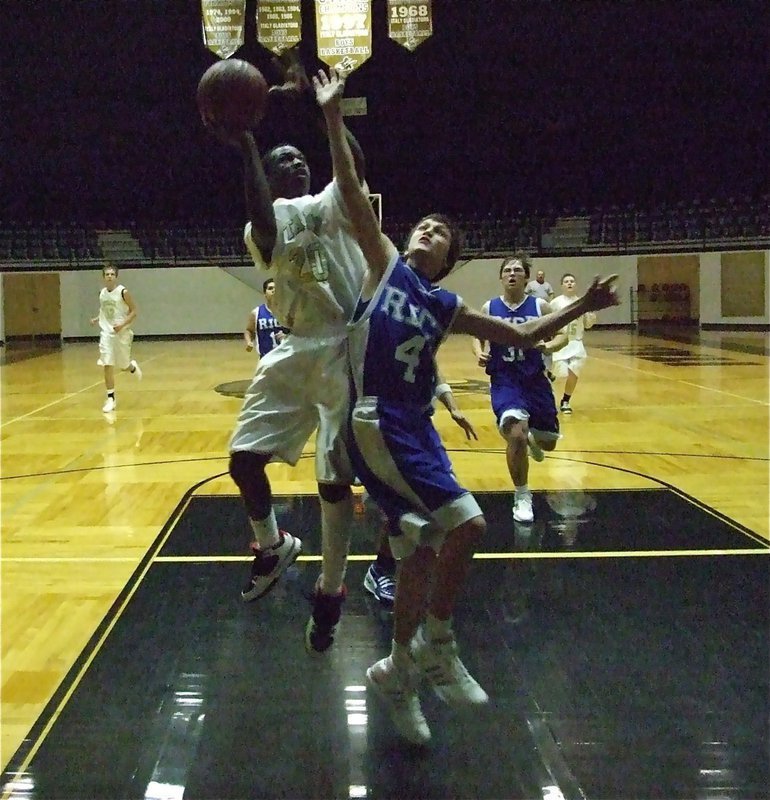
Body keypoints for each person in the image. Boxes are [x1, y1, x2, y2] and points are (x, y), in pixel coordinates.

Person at [313, 67, 620, 745]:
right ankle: (439, 644)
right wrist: (333, 117)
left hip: (414, 430)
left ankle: (397, 670)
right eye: (420, 227)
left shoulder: (446, 304)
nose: (423, 234)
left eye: (437, 233)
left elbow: (519, 335)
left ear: (451, 256)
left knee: (423, 550)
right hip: (376, 422)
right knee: (470, 523)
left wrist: (583, 305)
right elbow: (353, 195)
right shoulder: (384, 263)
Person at [208, 51, 382, 656]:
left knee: (335, 477)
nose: (296, 160)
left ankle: (332, 587)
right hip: (295, 347)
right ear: (272, 175)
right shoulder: (268, 220)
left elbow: (351, 167)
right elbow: (259, 214)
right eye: (286, 158)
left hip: (345, 345)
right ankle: (272, 544)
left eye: (300, 156)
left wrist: (324, 113)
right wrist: (251, 142)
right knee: (242, 458)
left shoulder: (335, 201)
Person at [473, 253, 568, 523]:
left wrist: (547, 347)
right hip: (505, 379)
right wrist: (480, 351)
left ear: (527, 277)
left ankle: (534, 440)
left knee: (548, 444)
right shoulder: (490, 308)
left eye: (517, 270)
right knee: (515, 433)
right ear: (501, 277)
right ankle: (522, 496)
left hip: (535, 381)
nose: (512, 273)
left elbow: (563, 334)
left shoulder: (541, 307)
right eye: (507, 270)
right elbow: (476, 338)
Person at [89, 263, 142, 413]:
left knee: (123, 365)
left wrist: (122, 324)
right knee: (107, 363)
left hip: (122, 333)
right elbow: (105, 311)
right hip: (106, 333)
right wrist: (96, 319)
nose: (110, 277)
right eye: (107, 274)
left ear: (116, 277)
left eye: (112, 274)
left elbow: (134, 311)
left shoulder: (123, 292)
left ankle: (131, 367)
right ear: (104, 277)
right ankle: (111, 398)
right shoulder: (102, 293)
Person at [546, 272, 597, 414]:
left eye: (572, 281)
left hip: (576, 343)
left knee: (574, 372)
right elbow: (548, 321)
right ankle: (550, 375)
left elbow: (588, 324)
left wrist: (591, 313)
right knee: (560, 372)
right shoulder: (555, 303)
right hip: (560, 343)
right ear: (562, 285)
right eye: (566, 281)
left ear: (575, 285)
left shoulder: (582, 303)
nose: (569, 283)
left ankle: (566, 400)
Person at [243, 278, 289, 356]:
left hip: (284, 357)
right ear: (264, 293)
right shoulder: (256, 313)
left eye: (276, 288)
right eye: (270, 288)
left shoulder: (288, 312)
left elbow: (298, 333)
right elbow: (249, 331)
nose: (273, 290)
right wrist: (249, 342)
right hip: (265, 357)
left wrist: (288, 337)